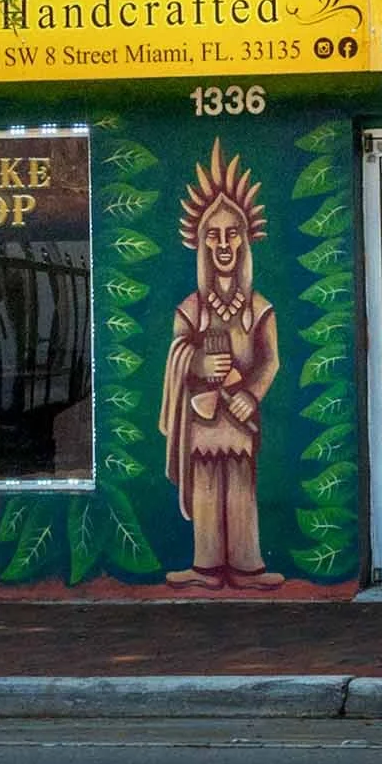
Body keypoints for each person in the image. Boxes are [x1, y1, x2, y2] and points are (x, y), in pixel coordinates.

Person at [158, 142, 283, 590]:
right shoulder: (192, 308)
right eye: (215, 235)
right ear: (202, 243)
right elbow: (176, 353)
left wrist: (250, 394)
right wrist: (195, 361)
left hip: (241, 416)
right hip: (204, 417)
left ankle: (248, 566)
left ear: (245, 242)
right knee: (208, 488)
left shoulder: (258, 308)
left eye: (233, 234)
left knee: (242, 489)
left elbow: (270, 360)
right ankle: (206, 566)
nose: (224, 244)